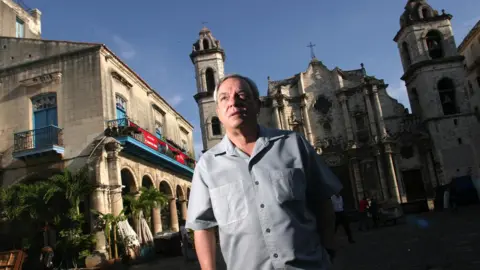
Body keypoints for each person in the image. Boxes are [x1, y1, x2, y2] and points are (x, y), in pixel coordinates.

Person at [186, 74, 343, 270]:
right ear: (218, 111)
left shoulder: (294, 144)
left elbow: (322, 200)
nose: (233, 102)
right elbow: (202, 227)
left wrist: (328, 248)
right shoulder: (207, 165)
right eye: (224, 98)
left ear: (257, 105)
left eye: (242, 95)